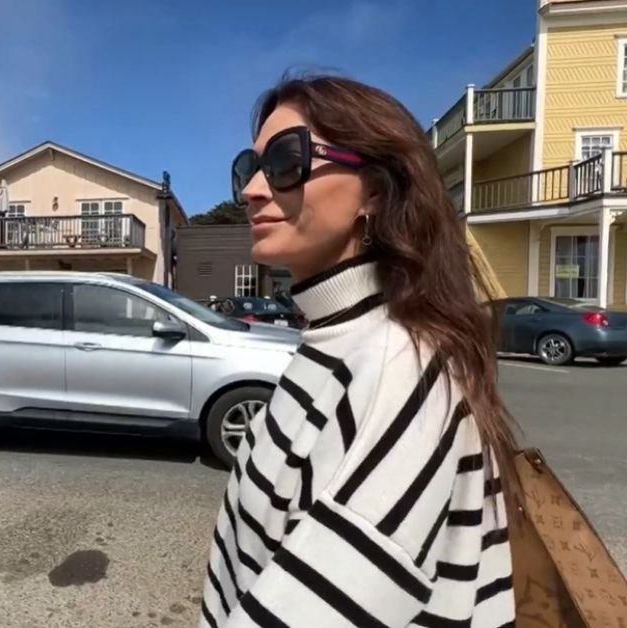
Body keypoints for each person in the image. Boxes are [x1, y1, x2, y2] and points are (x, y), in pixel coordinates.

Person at [200, 74, 518, 627]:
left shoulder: (402, 365)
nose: (253, 190)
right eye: (247, 169)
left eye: (284, 162)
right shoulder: (335, 340)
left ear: (374, 189)